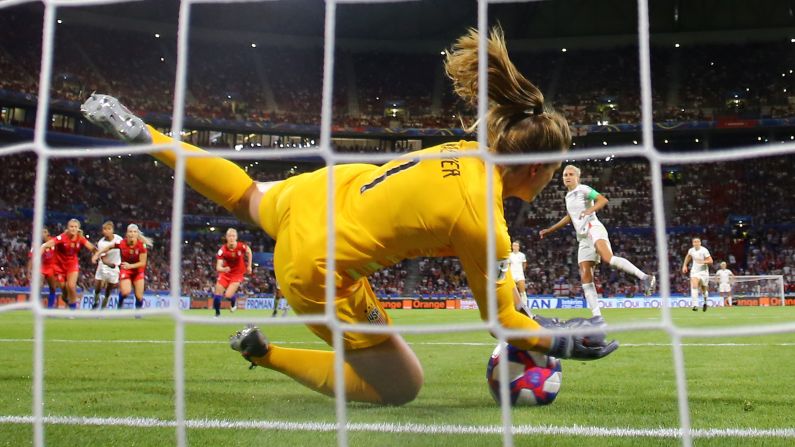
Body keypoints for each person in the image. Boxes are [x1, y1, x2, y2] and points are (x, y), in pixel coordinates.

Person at [81, 26, 617, 406]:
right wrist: (561, 341)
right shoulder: (486, 222)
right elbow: (500, 322)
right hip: (319, 263)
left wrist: (539, 327)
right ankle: (267, 354)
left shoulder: (466, 151)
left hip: (322, 193)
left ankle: (150, 137)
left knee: (243, 194)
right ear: (540, 166)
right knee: (401, 386)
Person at [539, 165, 655, 318]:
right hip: (583, 238)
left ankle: (645, 277)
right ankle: (597, 316)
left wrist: (589, 210)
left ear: (577, 177)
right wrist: (550, 230)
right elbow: (570, 217)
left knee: (609, 259)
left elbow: (602, 200)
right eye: (565, 175)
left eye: (570, 174)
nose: (567, 177)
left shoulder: (584, 189)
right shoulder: (567, 196)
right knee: (585, 275)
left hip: (593, 228)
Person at [92, 224, 152, 311]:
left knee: (139, 296)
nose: (132, 234)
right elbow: (108, 247)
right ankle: (120, 303)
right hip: (126, 270)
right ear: (127, 234)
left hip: (138, 271)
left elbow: (143, 263)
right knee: (125, 292)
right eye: (130, 232)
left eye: (134, 232)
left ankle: (138, 313)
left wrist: (130, 266)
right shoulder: (122, 243)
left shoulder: (141, 246)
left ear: (137, 234)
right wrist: (97, 254)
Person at [41, 219, 97, 310]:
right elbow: (46, 245)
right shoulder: (62, 237)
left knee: (71, 286)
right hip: (59, 266)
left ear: (78, 228)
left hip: (72, 264)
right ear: (68, 227)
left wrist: (98, 255)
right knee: (64, 288)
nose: (73, 229)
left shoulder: (80, 238)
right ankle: (66, 298)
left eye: (75, 227)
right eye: (71, 226)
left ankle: (73, 309)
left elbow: (92, 248)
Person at [213, 228, 253, 318]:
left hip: (237, 274)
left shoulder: (241, 246)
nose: (231, 238)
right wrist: (223, 269)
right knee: (217, 294)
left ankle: (233, 303)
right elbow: (218, 267)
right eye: (229, 236)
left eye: (233, 236)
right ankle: (217, 314)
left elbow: (249, 251)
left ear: (236, 237)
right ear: (226, 237)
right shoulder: (222, 250)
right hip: (225, 273)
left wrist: (249, 265)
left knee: (228, 295)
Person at [27, 227, 61, 308]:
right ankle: (36, 306)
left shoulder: (54, 241)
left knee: (53, 288)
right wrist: (29, 271)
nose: (42, 234)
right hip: (41, 268)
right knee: (39, 286)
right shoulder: (36, 244)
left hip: (52, 268)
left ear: (48, 233)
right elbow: (31, 258)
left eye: (44, 232)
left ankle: (50, 307)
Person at [93, 221, 123, 310]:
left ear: (112, 230)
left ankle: (103, 307)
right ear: (102, 231)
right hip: (103, 266)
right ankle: (95, 303)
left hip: (114, 268)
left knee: (108, 290)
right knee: (98, 287)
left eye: (109, 229)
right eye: (105, 229)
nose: (107, 231)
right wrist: (110, 264)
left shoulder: (119, 239)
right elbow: (103, 259)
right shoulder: (101, 243)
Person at [682, 237, 713, 312]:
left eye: (697, 242)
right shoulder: (691, 250)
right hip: (695, 271)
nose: (696, 243)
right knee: (694, 285)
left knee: (704, 290)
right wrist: (684, 265)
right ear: (693, 243)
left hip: (704, 272)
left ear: (700, 243)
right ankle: (695, 305)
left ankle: (705, 302)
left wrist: (703, 262)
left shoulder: (704, 250)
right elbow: (688, 256)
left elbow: (711, 261)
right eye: (694, 242)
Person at [508, 240, 528, 308]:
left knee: (522, 292)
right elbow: (508, 264)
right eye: (513, 245)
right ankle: (512, 305)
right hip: (512, 275)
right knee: (511, 291)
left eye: (516, 246)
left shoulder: (522, 255)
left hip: (520, 275)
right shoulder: (509, 255)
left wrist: (522, 271)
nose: (515, 247)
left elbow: (524, 264)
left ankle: (525, 306)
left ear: (519, 247)